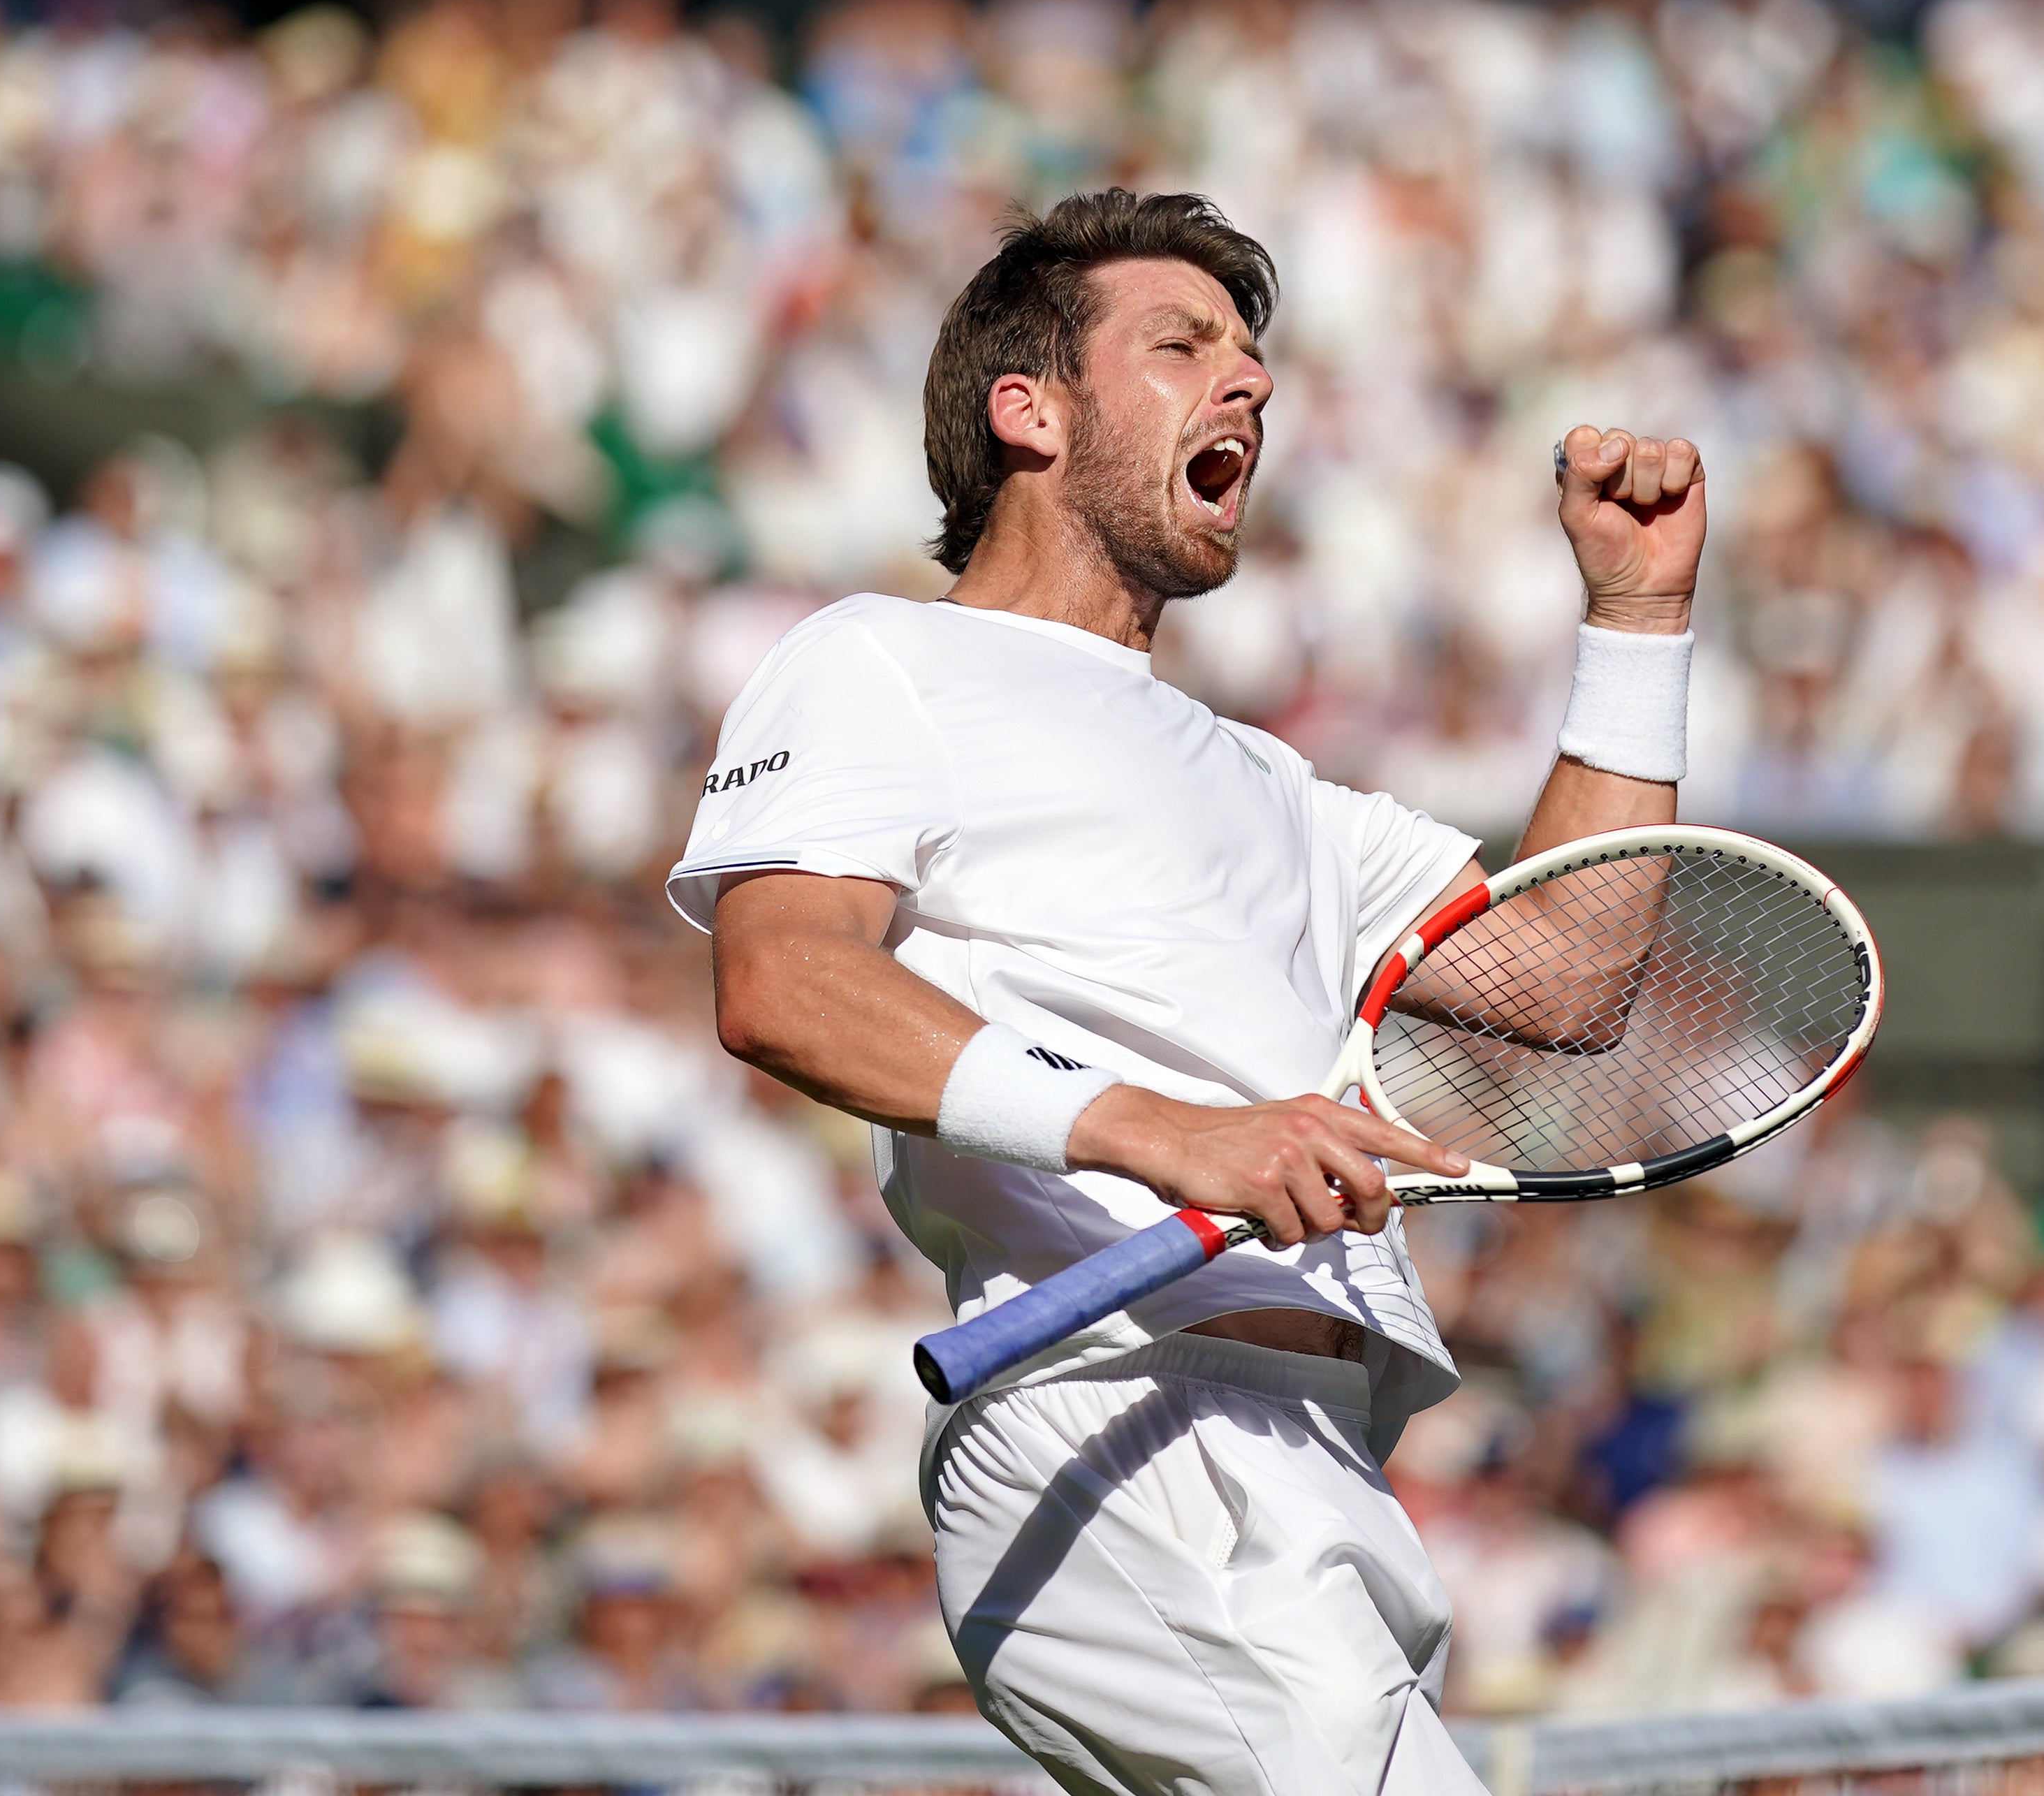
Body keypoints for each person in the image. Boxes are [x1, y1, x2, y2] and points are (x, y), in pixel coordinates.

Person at [670, 189, 1709, 1794]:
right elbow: (785, 984)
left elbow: (1569, 970)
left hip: (1319, 1453)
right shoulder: (876, 657)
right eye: (1183, 345)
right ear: (1031, 412)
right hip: (1115, 1429)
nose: (1253, 384)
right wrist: (1167, 1133)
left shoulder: (1274, 783)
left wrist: (1636, 621)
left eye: (1253, 355)